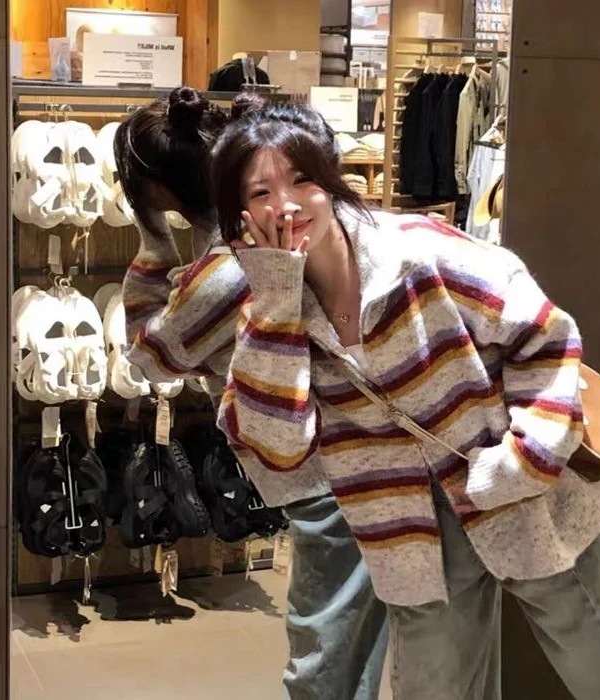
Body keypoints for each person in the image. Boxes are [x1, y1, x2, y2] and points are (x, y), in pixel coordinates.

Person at [210, 98, 600, 699]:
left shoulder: (415, 253)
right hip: (407, 535)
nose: (286, 205)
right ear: (240, 213)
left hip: (530, 496)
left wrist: (522, 464)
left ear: (330, 180)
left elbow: (546, 336)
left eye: (302, 179)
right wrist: (276, 300)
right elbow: (279, 451)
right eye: (261, 192)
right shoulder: (268, 314)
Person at [114, 87, 389, 700]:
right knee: (358, 647)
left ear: (157, 191)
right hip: (356, 455)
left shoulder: (229, 267)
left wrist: (153, 240)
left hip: (323, 473)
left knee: (325, 660)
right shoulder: (270, 238)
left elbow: (150, 353)